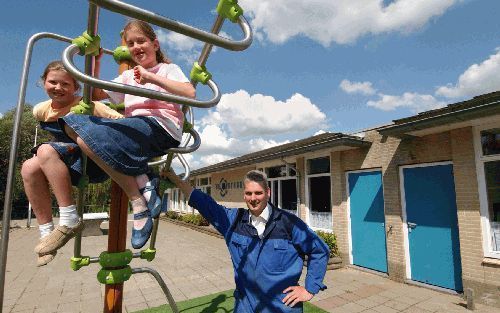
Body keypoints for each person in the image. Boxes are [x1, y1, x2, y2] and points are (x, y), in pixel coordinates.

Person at [55, 20, 196, 250]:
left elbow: (189, 92)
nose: (136, 47)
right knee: (73, 126)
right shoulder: (129, 76)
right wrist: (96, 62)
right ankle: (141, 190)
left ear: (155, 44)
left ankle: (139, 199)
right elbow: (96, 93)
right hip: (135, 127)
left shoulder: (167, 69)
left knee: (89, 134)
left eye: (141, 41)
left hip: (161, 127)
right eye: (131, 43)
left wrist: (151, 78)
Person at [164, 169, 330, 313]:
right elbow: (204, 202)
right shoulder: (233, 221)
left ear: (268, 193)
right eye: (249, 193)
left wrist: (309, 289)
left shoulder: (289, 223)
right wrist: (176, 179)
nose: (253, 198)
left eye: (258, 193)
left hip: (282, 307)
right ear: (244, 195)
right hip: (245, 306)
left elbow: (320, 250)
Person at [21, 60, 123, 266]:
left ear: (76, 88)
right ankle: (46, 232)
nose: (58, 88)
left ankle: (69, 217)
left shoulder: (87, 105)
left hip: (90, 163)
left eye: (66, 84)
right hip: (65, 165)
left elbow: (120, 119)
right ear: (44, 82)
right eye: (53, 82)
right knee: (28, 167)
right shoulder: (41, 110)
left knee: (45, 149)